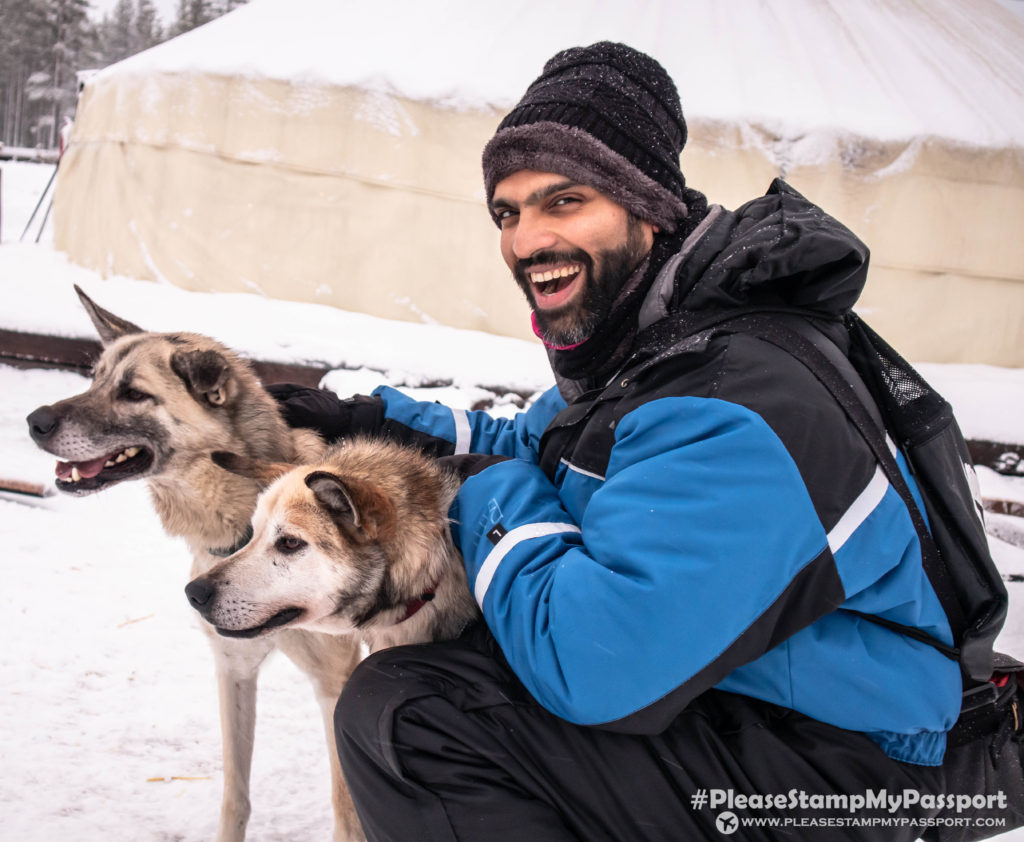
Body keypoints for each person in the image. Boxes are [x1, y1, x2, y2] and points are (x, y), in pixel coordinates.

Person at [272, 42, 964, 840]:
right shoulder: (657, 346)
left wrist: (486, 483)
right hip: (753, 703)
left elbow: (594, 666)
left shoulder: (738, 397)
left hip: (851, 772)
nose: (526, 240)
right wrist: (371, 422)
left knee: (409, 713)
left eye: (563, 201)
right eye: (508, 211)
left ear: (648, 208)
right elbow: (538, 444)